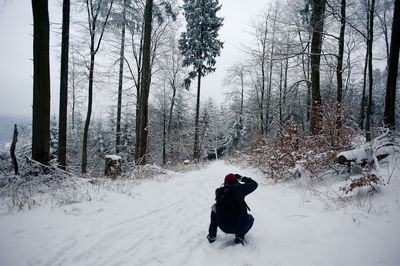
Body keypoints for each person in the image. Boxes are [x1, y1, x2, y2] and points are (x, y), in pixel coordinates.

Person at [207, 173, 258, 245]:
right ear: (235, 181)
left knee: (214, 209)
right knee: (251, 218)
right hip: (240, 227)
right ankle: (239, 236)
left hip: (223, 227)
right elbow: (254, 184)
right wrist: (241, 178)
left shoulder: (218, 191)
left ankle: (212, 236)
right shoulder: (240, 189)